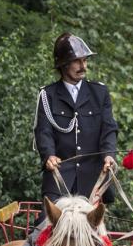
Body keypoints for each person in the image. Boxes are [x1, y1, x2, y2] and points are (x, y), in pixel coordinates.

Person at [33, 32, 118, 206]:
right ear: (63, 65)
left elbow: (108, 129)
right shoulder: (47, 95)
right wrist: (49, 155)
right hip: (59, 178)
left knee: (96, 230)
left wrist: (109, 154)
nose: (83, 66)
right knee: (42, 227)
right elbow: (44, 131)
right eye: (77, 61)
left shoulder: (99, 93)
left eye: (85, 60)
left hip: (93, 180)